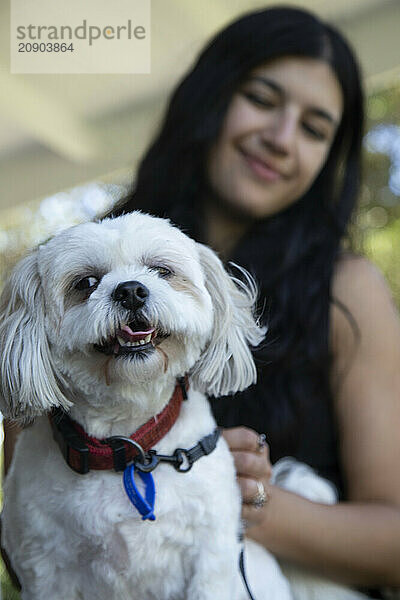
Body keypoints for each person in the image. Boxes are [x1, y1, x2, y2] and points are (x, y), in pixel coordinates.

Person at [3, 5, 400, 598]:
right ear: (209, 98)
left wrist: (224, 493)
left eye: (315, 129)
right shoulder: (69, 277)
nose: (282, 137)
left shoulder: (346, 288)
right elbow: (31, 543)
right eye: (262, 99)